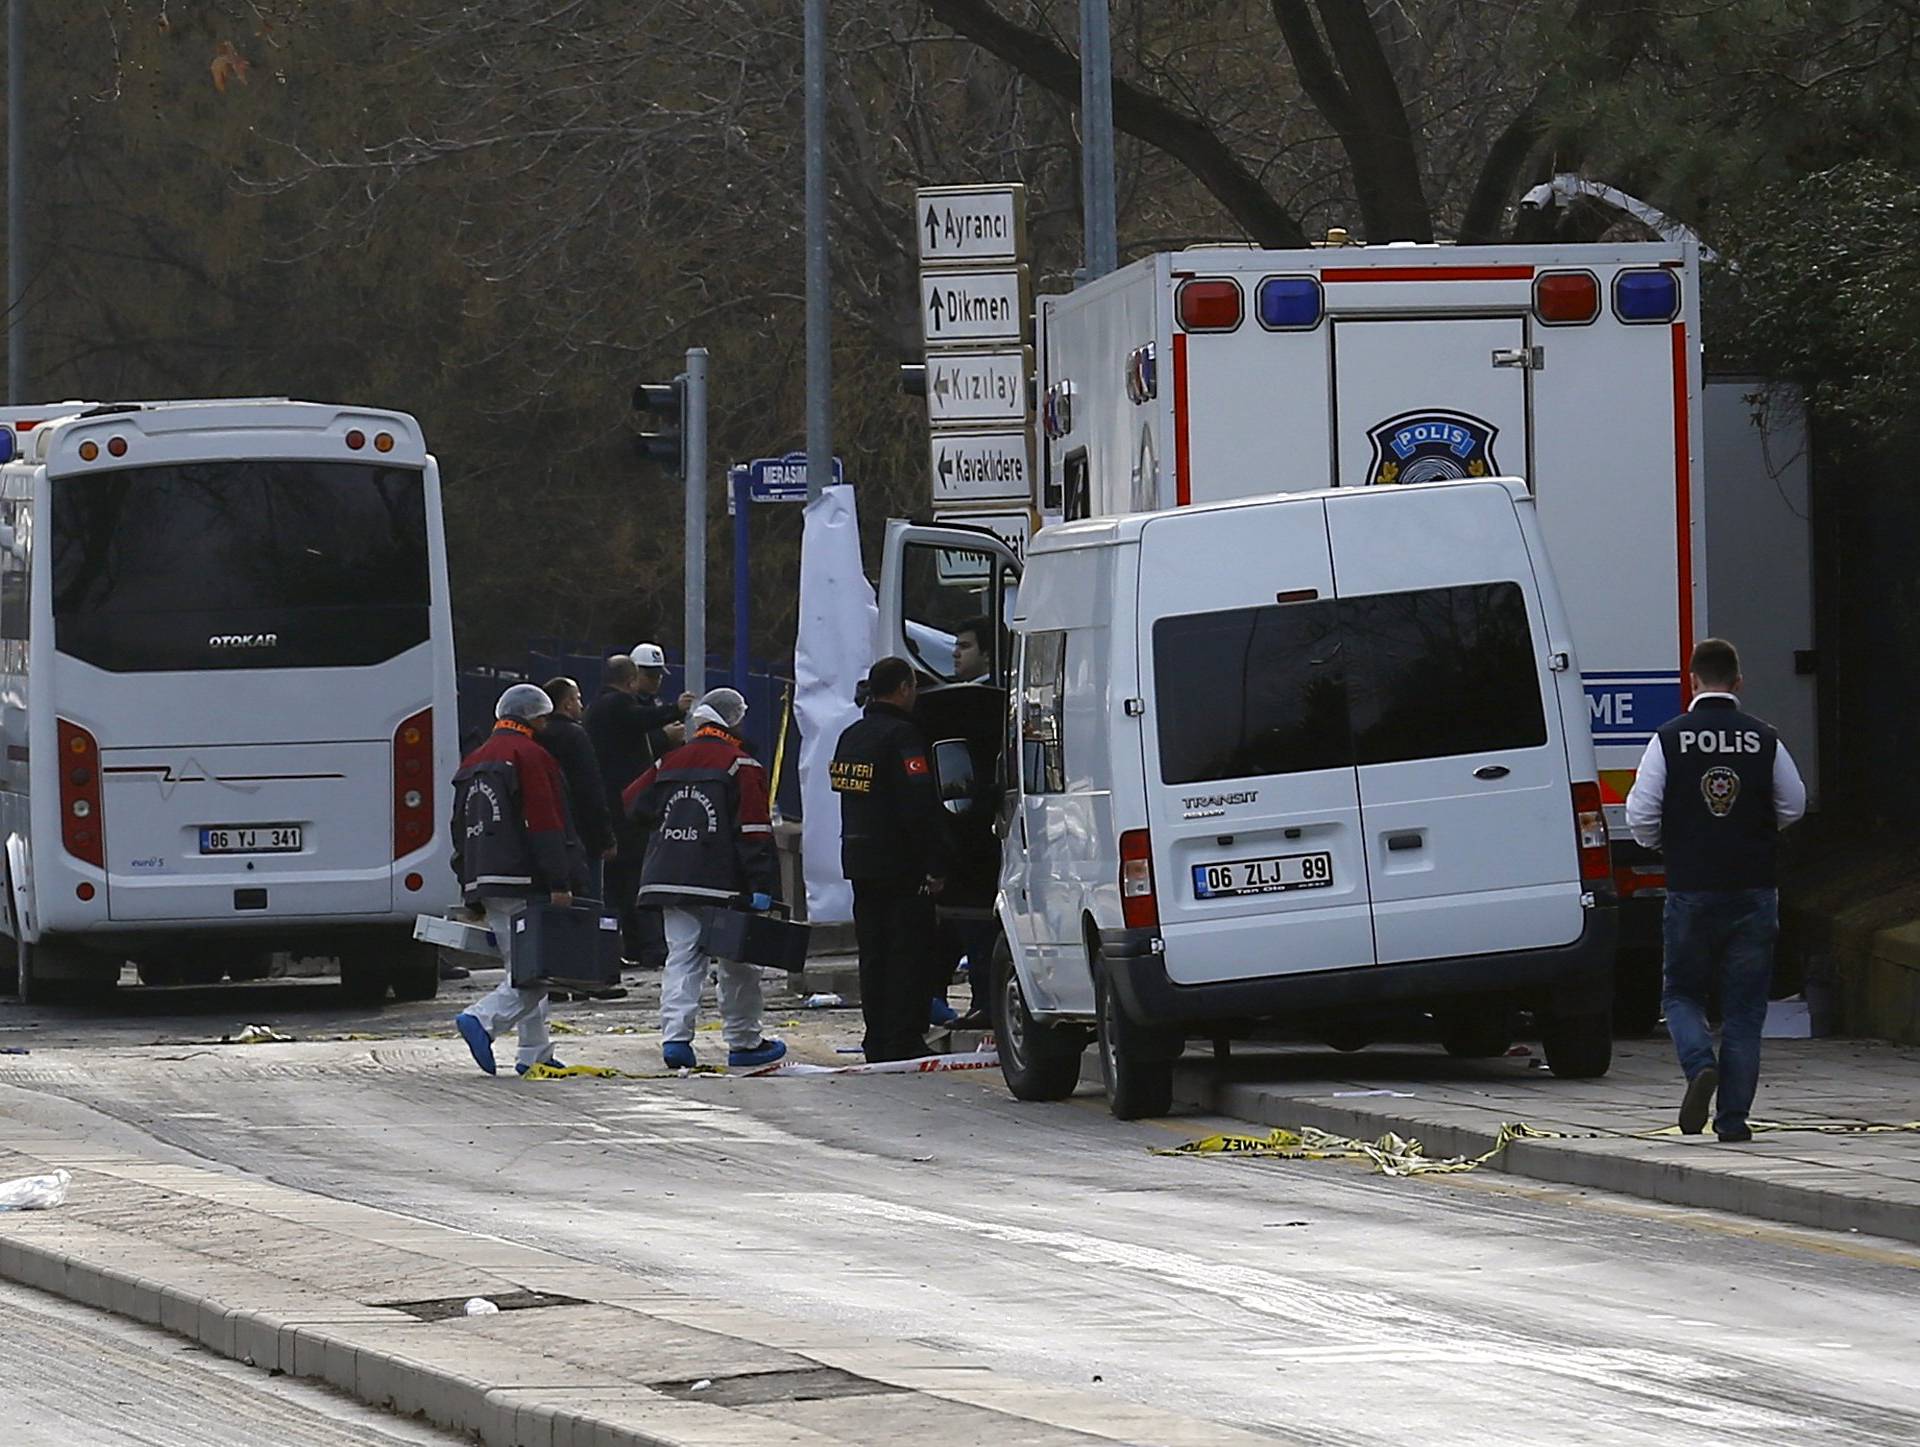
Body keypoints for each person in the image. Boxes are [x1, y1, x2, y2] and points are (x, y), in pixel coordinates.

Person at [1625, 638, 1807, 1142]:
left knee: (1682, 994)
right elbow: (1793, 804)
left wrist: (1675, 840)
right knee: (1746, 1012)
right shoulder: (1764, 738)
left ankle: (1700, 1063)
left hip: (1692, 887)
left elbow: (1640, 816)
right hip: (1753, 889)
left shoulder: (1668, 738)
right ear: (1738, 682)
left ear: (1692, 680)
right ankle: (1733, 1121)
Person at [624, 688, 786, 1069]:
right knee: (739, 964)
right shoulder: (741, 765)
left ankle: (676, 1040)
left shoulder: (669, 762)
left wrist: (671, 827)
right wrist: (762, 886)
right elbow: (754, 830)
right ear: (732, 720)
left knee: (681, 958)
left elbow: (633, 803)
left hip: (668, 877)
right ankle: (744, 1041)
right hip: (722, 882)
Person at [450, 684, 587, 1076]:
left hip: (485, 877)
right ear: (538, 718)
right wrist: (561, 880)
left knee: (521, 963)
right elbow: (546, 823)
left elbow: (459, 828)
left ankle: (534, 1051)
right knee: (540, 967)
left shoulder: (473, 761)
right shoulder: (531, 756)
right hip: (524, 877)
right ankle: (483, 1019)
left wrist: (468, 885)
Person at [831, 657, 953, 1062]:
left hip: (860, 859)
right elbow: (917, 805)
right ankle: (902, 1038)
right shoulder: (903, 736)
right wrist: (935, 862)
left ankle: (876, 1038)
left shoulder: (850, 736)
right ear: (903, 688)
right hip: (901, 864)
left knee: (874, 953)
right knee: (908, 952)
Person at [586, 645, 690, 967]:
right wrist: (676, 711)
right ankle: (646, 946)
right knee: (633, 878)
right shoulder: (615, 704)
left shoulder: (615, 707)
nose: (653, 681)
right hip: (625, 806)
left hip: (622, 803)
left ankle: (634, 945)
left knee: (624, 880)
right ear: (631, 679)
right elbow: (634, 725)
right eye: (646, 675)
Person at [539, 676, 627, 1002]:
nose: (581, 705)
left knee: (554, 907)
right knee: (590, 905)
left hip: (550, 835)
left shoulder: (539, 737)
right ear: (565, 704)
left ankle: (557, 976)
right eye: (577, 699)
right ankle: (591, 975)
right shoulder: (576, 737)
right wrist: (606, 835)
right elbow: (591, 789)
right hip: (583, 836)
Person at [951, 616, 995, 684]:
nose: (955, 654)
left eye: (964, 646)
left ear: (988, 656)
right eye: (957, 646)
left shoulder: (989, 692)